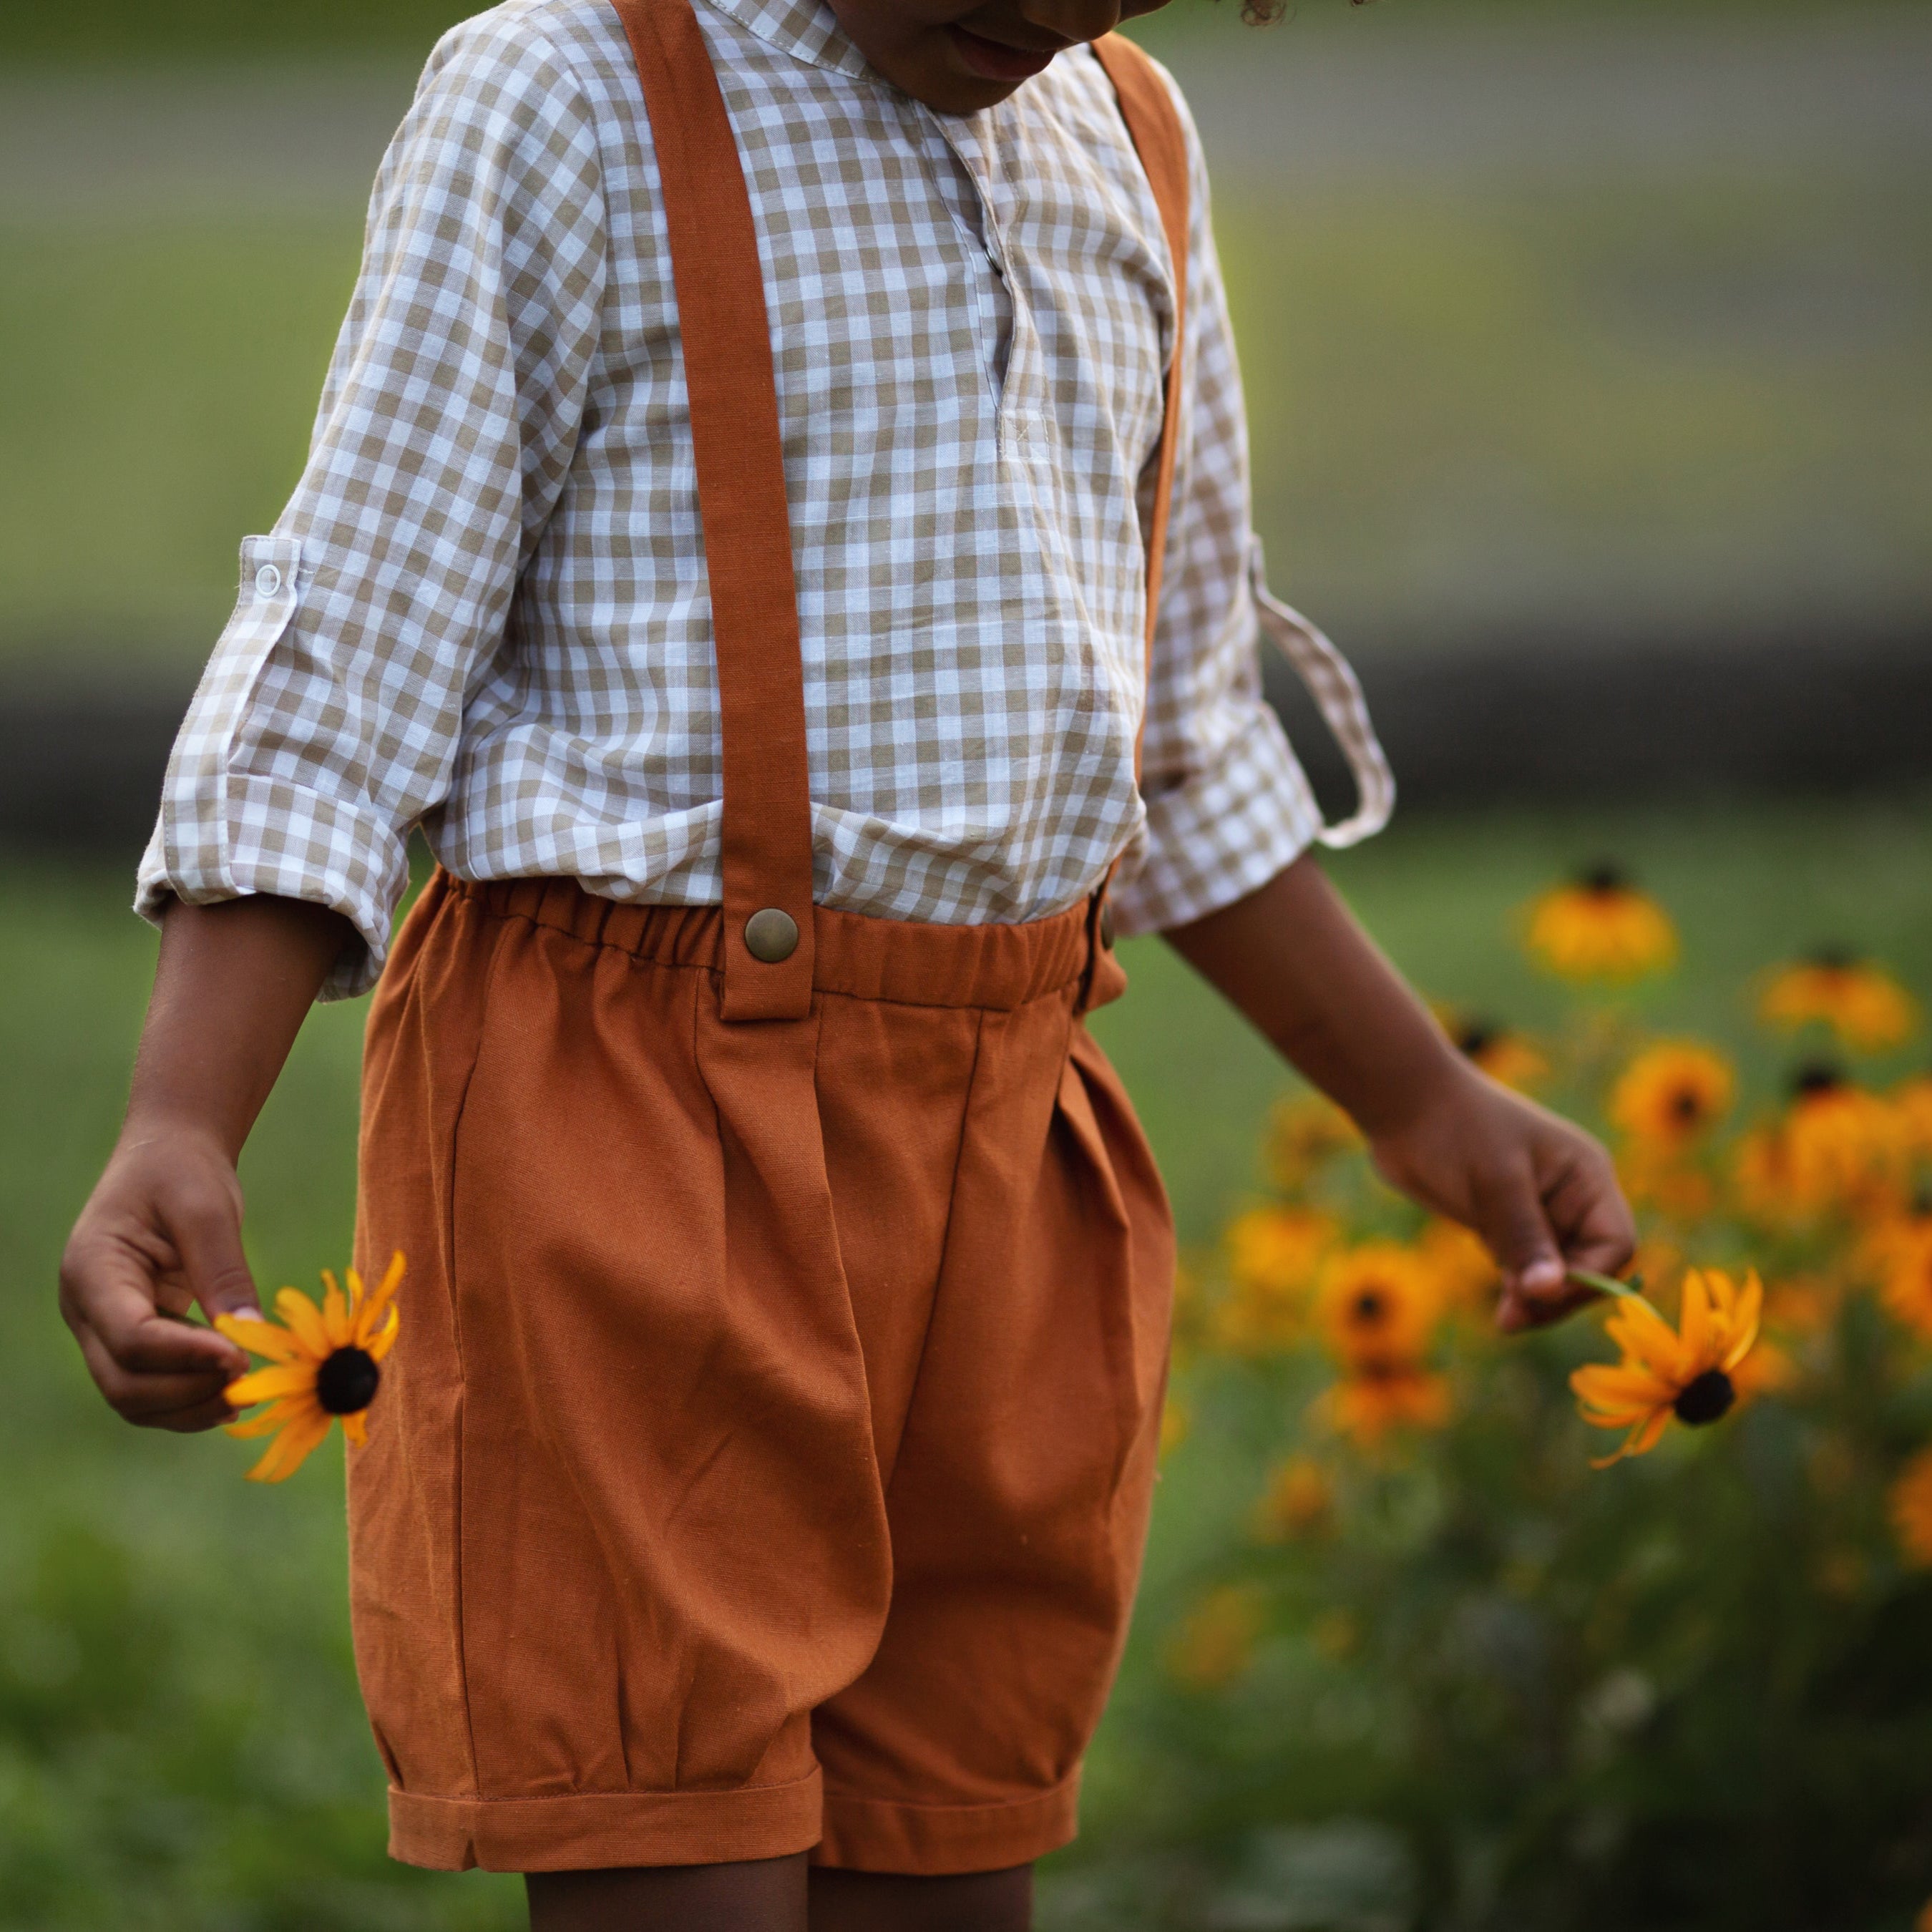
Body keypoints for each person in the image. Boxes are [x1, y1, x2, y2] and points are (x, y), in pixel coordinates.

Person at [57, 0, 1635, 1924]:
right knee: (680, 1841)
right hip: (629, 1128)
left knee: (950, 1840)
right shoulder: (569, 98)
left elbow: (1173, 731)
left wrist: (1419, 1098)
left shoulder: (1124, 131)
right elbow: (352, 652)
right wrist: (181, 1114)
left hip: (1008, 1138)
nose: (1049, 14)